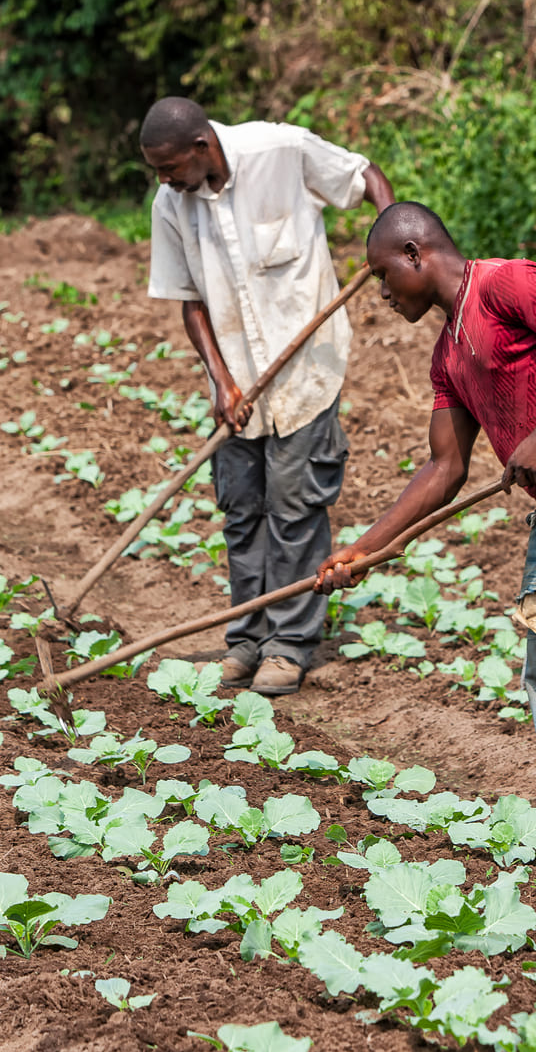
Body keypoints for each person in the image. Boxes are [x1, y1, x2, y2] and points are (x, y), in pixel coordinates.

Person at [315, 201, 536, 867]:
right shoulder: (448, 356)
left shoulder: (505, 284)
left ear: (415, 253)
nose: (383, 294)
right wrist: (364, 548)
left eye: (384, 276)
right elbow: (444, 468)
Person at [142, 96, 395, 696]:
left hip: (307, 373)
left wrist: (391, 236)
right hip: (236, 390)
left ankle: (289, 644)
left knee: (294, 511)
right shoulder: (171, 204)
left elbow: (364, 176)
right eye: (156, 170)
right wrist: (223, 382)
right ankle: (245, 638)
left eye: (170, 166)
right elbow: (191, 302)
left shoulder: (279, 150)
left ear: (202, 147)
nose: (164, 179)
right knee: (242, 513)